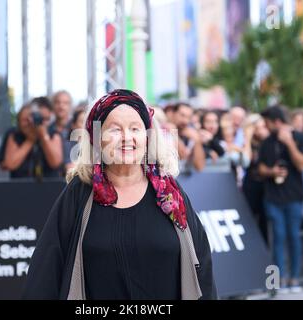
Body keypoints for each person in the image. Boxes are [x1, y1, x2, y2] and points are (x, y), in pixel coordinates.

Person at [23, 89, 217, 300]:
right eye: (114, 130)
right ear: (97, 139)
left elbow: (202, 268)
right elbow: (46, 270)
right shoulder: (79, 192)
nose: (127, 138)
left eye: (135, 128)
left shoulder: (169, 192)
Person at [258, 105, 303, 294]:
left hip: (294, 196)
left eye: (267, 122)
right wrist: (272, 171)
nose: (265, 126)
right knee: (278, 237)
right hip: (272, 197)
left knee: (293, 236)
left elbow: (302, 164)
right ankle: (277, 281)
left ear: (277, 122)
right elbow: (260, 168)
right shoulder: (266, 142)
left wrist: (289, 143)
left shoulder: (300, 138)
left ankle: (294, 278)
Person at [0, 99, 63, 179]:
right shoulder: (14, 134)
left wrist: (43, 136)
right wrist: (30, 140)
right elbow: (10, 164)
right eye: (25, 120)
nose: (29, 124)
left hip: (49, 185)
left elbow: (55, 163)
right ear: (18, 121)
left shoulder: (53, 134)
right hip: (20, 186)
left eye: (32, 119)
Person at [242, 114, 270, 244]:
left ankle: (265, 249)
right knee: (249, 219)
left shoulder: (268, 142)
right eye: (257, 128)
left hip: (267, 186)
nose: (261, 130)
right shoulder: (247, 143)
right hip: (251, 185)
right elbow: (246, 162)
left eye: (263, 126)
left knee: (265, 222)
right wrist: (247, 138)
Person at [170, 103, 205, 172]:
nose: (185, 120)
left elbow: (200, 167)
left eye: (189, 117)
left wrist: (197, 141)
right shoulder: (162, 130)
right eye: (182, 115)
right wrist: (173, 133)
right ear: (173, 114)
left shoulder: (191, 134)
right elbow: (181, 156)